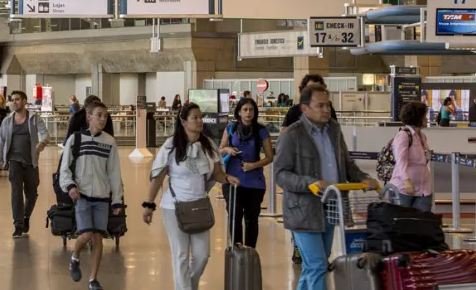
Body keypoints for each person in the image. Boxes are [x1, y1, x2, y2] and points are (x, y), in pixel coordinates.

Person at [275, 85, 378, 290]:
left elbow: (346, 163)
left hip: (331, 206)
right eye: (319, 105)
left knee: (314, 266)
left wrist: (364, 178)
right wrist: (309, 183)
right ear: (305, 109)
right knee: (318, 265)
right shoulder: (292, 135)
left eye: (327, 105)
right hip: (303, 210)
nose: (325, 110)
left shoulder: (334, 130)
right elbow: (280, 174)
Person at [143, 103, 239, 290]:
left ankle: (190, 285)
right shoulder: (171, 145)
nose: (199, 121)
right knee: (181, 255)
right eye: (194, 117)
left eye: (200, 117)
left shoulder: (208, 145)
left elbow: (216, 173)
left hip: (199, 206)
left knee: (202, 255)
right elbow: (158, 177)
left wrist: (227, 178)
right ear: (183, 121)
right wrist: (148, 205)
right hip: (174, 207)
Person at [60, 102, 124, 290]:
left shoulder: (109, 142)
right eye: (99, 115)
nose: (103, 119)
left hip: (102, 196)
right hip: (82, 195)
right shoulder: (75, 139)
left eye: (105, 116)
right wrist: (70, 186)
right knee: (86, 234)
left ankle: (93, 279)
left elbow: (114, 173)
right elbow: (65, 167)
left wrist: (117, 199)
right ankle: (75, 256)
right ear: (89, 117)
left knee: (98, 238)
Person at [219, 97, 274, 249]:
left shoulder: (261, 131)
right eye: (245, 110)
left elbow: (270, 157)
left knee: (251, 218)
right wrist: (227, 149)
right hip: (232, 180)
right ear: (239, 112)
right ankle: (236, 249)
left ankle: (250, 250)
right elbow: (220, 149)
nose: (248, 113)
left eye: (251, 110)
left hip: (254, 181)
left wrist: (253, 165)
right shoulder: (231, 128)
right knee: (234, 216)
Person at [0, 90, 50, 238]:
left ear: (25, 101)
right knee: (16, 193)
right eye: (12, 100)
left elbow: (45, 133)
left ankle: (26, 216)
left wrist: (42, 142)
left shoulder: (34, 118)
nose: (14, 102)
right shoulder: (7, 120)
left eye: (17, 99)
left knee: (32, 193)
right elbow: (1, 141)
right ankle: (18, 225)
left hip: (31, 161)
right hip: (14, 161)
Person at [388, 101, 432, 212]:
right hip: (403, 188)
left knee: (423, 222)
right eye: (424, 116)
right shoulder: (403, 136)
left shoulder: (422, 136)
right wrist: (407, 181)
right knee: (403, 222)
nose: (427, 119)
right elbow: (401, 161)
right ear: (417, 118)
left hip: (423, 189)